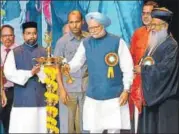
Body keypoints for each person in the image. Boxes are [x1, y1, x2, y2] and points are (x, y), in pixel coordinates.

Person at [63, 12, 133, 133]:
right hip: (93, 96)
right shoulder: (86, 43)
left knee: (114, 130)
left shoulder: (117, 42)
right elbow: (76, 63)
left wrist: (126, 90)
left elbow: (128, 68)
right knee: (94, 130)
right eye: (90, 28)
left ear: (103, 26)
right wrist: (67, 67)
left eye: (96, 27)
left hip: (114, 95)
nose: (93, 30)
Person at [3, 21, 68, 133]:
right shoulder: (14, 53)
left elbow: (52, 73)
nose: (31, 36)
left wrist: (40, 72)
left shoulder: (45, 52)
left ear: (37, 34)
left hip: (41, 101)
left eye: (34, 33)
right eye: (28, 33)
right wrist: (30, 73)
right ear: (23, 35)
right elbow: (9, 73)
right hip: (22, 102)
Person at [135, 7, 179, 133]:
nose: (151, 27)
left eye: (155, 24)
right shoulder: (153, 43)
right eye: (151, 24)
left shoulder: (172, 45)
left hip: (165, 98)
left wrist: (143, 70)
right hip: (150, 95)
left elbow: (165, 70)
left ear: (164, 26)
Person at [54, 10, 89, 133]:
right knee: (67, 125)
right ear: (68, 23)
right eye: (71, 22)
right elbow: (57, 68)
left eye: (77, 22)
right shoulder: (62, 42)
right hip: (68, 89)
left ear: (82, 22)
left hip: (86, 88)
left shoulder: (89, 39)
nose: (74, 25)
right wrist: (61, 90)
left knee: (86, 124)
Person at [129, 1, 158, 131]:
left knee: (153, 122)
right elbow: (131, 57)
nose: (145, 16)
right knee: (137, 123)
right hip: (138, 84)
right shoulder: (137, 33)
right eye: (143, 13)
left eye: (149, 13)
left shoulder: (163, 35)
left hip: (155, 86)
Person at [0, 24, 18, 133]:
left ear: (14, 37)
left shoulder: (20, 51)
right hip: (1, 90)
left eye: (10, 35)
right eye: (4, 35)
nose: (7, 38)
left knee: (11, 125)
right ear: (1, 38)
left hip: (14, 91)